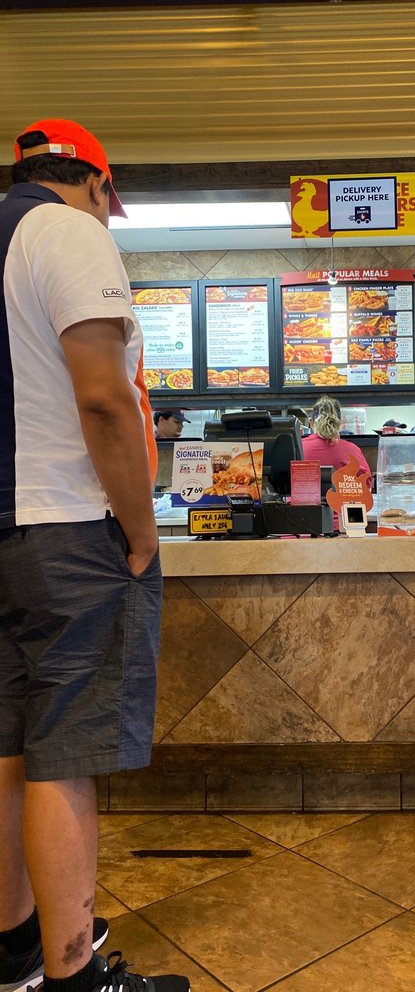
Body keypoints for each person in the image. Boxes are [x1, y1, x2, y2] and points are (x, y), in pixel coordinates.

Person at [0, 119, 188, 991]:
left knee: (7, 751)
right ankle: (78, 977)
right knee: (64, 754)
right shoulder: (68, 230)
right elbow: (106, 400)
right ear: (100, 187)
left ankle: (15, 951)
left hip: (5, 526)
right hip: (70, 529)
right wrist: (141, 530)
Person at [302, 395, 372, 485]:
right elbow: (366, 484)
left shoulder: (299, 448)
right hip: (343, 499)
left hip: (304, 499)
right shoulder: (352, 450)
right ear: (340, 422)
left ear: (311, 422)